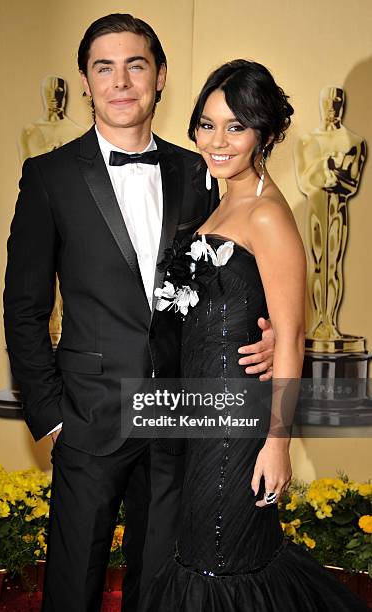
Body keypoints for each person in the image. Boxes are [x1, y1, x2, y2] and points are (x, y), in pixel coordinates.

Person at [3, 15, 275, 612]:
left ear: (160, 78)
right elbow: (23, 309)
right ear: (86, 81)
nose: (121, 81)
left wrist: (274, 332)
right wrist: (50, 418)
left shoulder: (202, 171)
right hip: (86, 418)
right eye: (105, 67)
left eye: (136, 65)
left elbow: (241, 267)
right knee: (71, 589)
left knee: (160, 591)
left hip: (178, 420)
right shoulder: (48, 177)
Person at [140, 60, 368, 611]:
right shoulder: (220, 201)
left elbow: (289, 338)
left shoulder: (267, 214)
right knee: (212, 556)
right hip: (203, 418)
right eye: (207, 123)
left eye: (235, 127)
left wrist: (277, 442)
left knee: (219, 564)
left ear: (265, 134)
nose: (217, 141)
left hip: (238, 432)